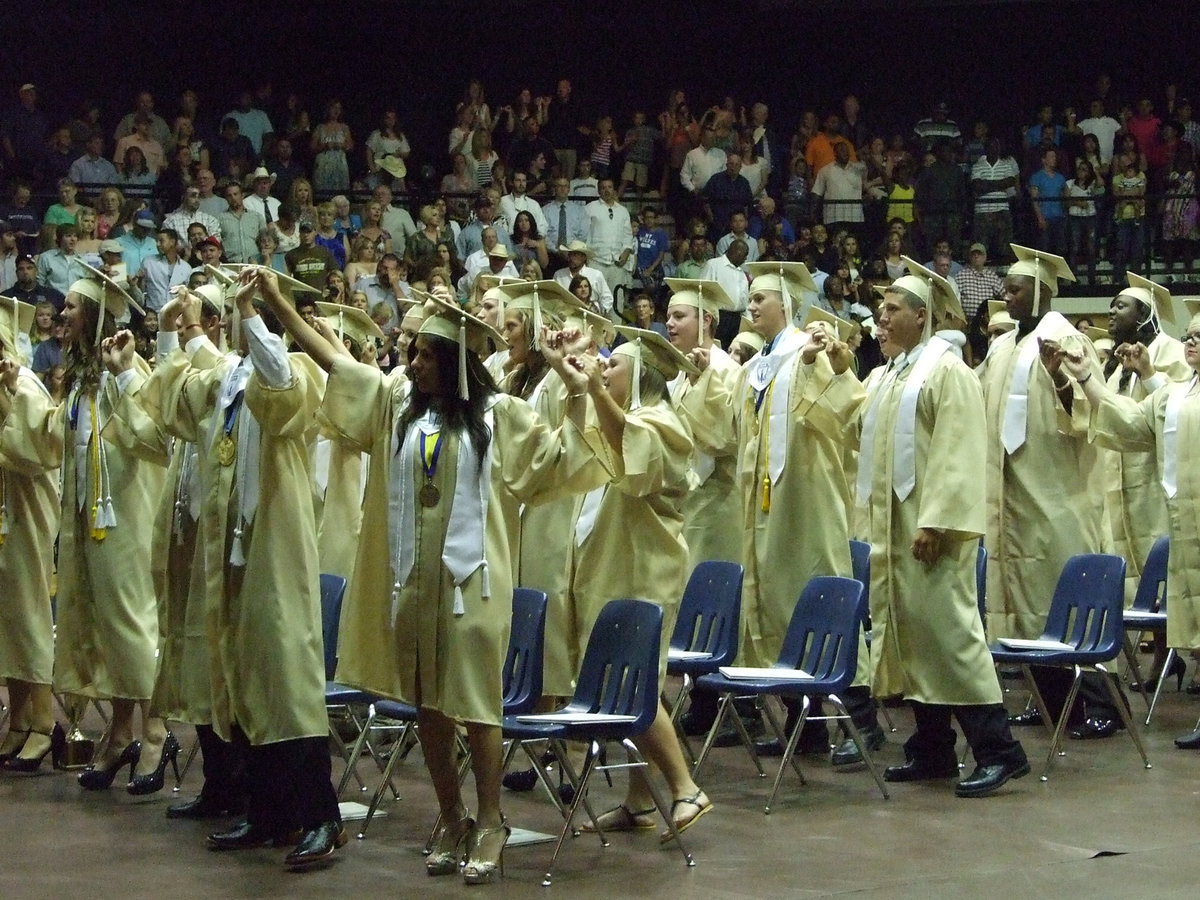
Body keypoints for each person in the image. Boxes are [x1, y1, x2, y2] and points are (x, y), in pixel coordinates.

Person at [269, 281, 610, 883]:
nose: (414, 362)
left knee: (477, 707)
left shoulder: (499, 417)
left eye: (428, 354)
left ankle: (490, 819)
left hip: (474, 586)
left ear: (455, 364)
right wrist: (281, 307)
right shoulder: (401, 408)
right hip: (414, 585)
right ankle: (451, 817)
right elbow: (344, 369)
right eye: (414, 352)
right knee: (427, 706)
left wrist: (581, 393)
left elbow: (559, 460)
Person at [146, 268, 343, 865]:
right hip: (230, 554)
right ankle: (265, 814)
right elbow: (175, 401)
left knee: (286, 683)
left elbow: (280, 391)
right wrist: (167, 334)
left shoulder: (299, 371)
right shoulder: (228, 378)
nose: (235, 316)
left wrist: (262, 311)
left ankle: (320, 818)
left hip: (273, 551)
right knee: (244, 682)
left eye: (246, 314)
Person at [850, 263, 1029, 796]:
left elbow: (959, 450)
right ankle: (932, 749)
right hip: (894, 529)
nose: (880, 319)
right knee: (914, 638)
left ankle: (1000, 750)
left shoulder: (945, 371)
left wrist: (936, 520)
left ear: (922, 316)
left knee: (951, 637)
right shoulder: (889, 374)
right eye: (880, 311)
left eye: (892, 310)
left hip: (933, 531)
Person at [14, 267, 173, 790]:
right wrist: (12, 392)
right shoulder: (80, 381)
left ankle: (154, 730)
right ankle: (120, 731)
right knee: (105, 629)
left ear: (98, 317)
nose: (62, 316)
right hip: (86, 526)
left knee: (131, 624)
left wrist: (122, 377)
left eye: (73, 309)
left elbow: (156, 439)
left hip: (125, 520)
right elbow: (51, 438)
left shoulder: (131, 373)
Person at [566, 323, 714, 841]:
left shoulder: (663, 423)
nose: (604, 371)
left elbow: (632, 451)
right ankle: (636, 801)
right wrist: (576, 378)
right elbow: (597, 437)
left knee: (635, 685)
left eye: (614, 366)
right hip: (616, 563)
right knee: (624, 683)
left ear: (643, 375)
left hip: (645, 569)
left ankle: (685, 787)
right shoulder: (626, 417)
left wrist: (594, 389)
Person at [732, 261, 880, 760]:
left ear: (786, 305)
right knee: (781, 606)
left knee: (824, 601)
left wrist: (829, 361)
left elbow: (845, 412)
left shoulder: (808, 352)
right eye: (750, 299)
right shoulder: (762, 365)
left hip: (809, 500)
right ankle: (805, 726)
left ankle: (864, 723)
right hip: (769, 507)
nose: (752, 306)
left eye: (761, 299)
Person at [977, 245, 1121, 738]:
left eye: (1015, 289)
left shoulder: (1067, 338)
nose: (1007, 296)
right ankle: (1050, 701)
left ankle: (1103, 703)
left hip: (1058, 493)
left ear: (1041, 290)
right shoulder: (1001, 346)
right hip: (1010, 496)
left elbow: (1090, 413)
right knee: (1021, 599)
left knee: (1067, 596)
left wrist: (1061, 377)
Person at [1058, 299, 1200, 748]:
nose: (1192, 340)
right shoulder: (1178, 391)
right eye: (1190, 334)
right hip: (1186, 523)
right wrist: (1085, 377)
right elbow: (1133, 420)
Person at [1090, 276, 1188, 685]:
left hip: (1153, 477)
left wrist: (1147, 373)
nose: (1112, 313)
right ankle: (1164, 653)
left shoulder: (1169, 351)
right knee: (1134, 564)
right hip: (1119, 476)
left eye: (1121, 306)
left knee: (1162, 562)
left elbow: (1176, 406)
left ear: (1145, 313)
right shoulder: (1115, 362)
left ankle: (1176, 652)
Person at [660, 279, 743, 734]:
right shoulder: (677, 373)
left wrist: (707, 378)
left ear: (707, 321)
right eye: (669, 316)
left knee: (715, 603)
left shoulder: (728, 370)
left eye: (680, 316)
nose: (670, 323)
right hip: (687, 504)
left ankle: (728, 706)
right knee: (690, 603)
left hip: (719, 502)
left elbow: (725, 436)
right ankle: (702, 702)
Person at [0, 296, 61, 772]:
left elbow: (39, 453)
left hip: (27, 512)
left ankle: (45, 720)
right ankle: (18, 716)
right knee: (9, 620)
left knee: (29, 611)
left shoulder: (26, 386)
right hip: (6, 515)